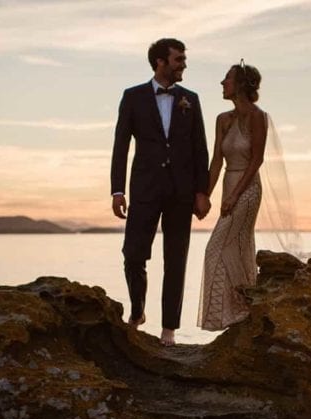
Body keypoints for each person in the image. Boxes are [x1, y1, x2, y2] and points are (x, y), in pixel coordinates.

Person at [111, 38, 211, 346]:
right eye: (178, 59)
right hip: (144, 188)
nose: (184, 64)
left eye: (183, 59)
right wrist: (117, 190)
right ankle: (138, 311)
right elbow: (121, 145)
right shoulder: (133, 97)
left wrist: (201, 191)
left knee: (176, 259)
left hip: (181, 191)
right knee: (133, 254)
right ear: (160, 62)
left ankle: (169, 331)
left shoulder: (190, 99)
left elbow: (200, 149)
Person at [198, 62, 267, 331]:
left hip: (248, 189)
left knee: (216, 247)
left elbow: (257, 160)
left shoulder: (258, 117)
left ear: (240, 85)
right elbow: (216, 161)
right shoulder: (222, 119)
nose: (222, 83)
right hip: (228, 183)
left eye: (227, 78)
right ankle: (243, 309)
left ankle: (239, 308)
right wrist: (205, 195)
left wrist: (235, 195)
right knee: (236, 247)